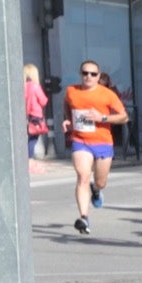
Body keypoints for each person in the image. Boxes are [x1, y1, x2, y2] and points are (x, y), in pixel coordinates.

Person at [61, 58, 128, 234]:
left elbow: (124, 117)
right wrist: (67, 119)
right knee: (82, 176)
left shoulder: (107, 94)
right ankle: (84, 218)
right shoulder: (71, 91)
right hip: (80, 141)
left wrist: (102, 118)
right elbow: (67, 105)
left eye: (93, 74)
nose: (88, 76)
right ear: (80, 74)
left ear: (98, 76)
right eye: (85, 73)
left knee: (100, 181)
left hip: (103, 142)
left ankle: (96, 190)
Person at [22, 63, 49, 161]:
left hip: (23, 115)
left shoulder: (21, 86)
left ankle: (24, 156)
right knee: (33, 138)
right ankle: (29, 158)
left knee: (23, 137)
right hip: (35, 115)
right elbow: (43, 101)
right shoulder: (35, 86)